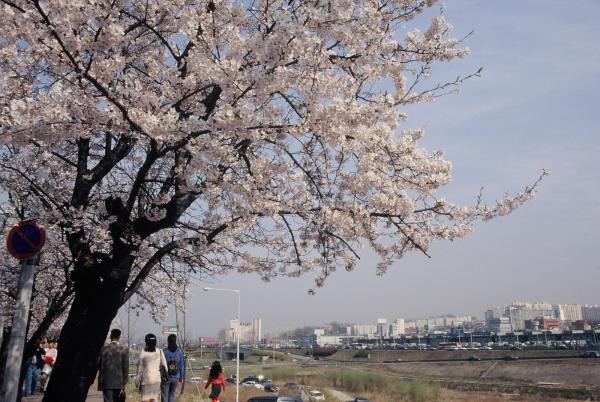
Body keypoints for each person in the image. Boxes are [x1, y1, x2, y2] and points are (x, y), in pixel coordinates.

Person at [98, 329, 129, 402]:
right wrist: (125, 381)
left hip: (107, 381)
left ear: (110, 336)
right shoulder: (124, 349)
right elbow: (125, 367)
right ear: (119, 337)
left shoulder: (104, 349)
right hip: (119, 381)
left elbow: (100, 365)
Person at [136, 333, 168, 402]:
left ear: (146, 342)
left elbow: (139, 370)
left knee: (145, 400)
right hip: (157, 380)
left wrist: (137, 382)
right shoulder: (159, 351)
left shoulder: (143, 352)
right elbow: (165, 366)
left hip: (146, 380)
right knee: (155, 400)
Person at [161, 334, 184, 402]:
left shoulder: (164, 351)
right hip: (176, 377)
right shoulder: (179, 352)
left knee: (164, 395)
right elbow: (181, 366)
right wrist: (181, 377)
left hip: (166, 377)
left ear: (168, 341)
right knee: (171, 395)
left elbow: (161, 365)